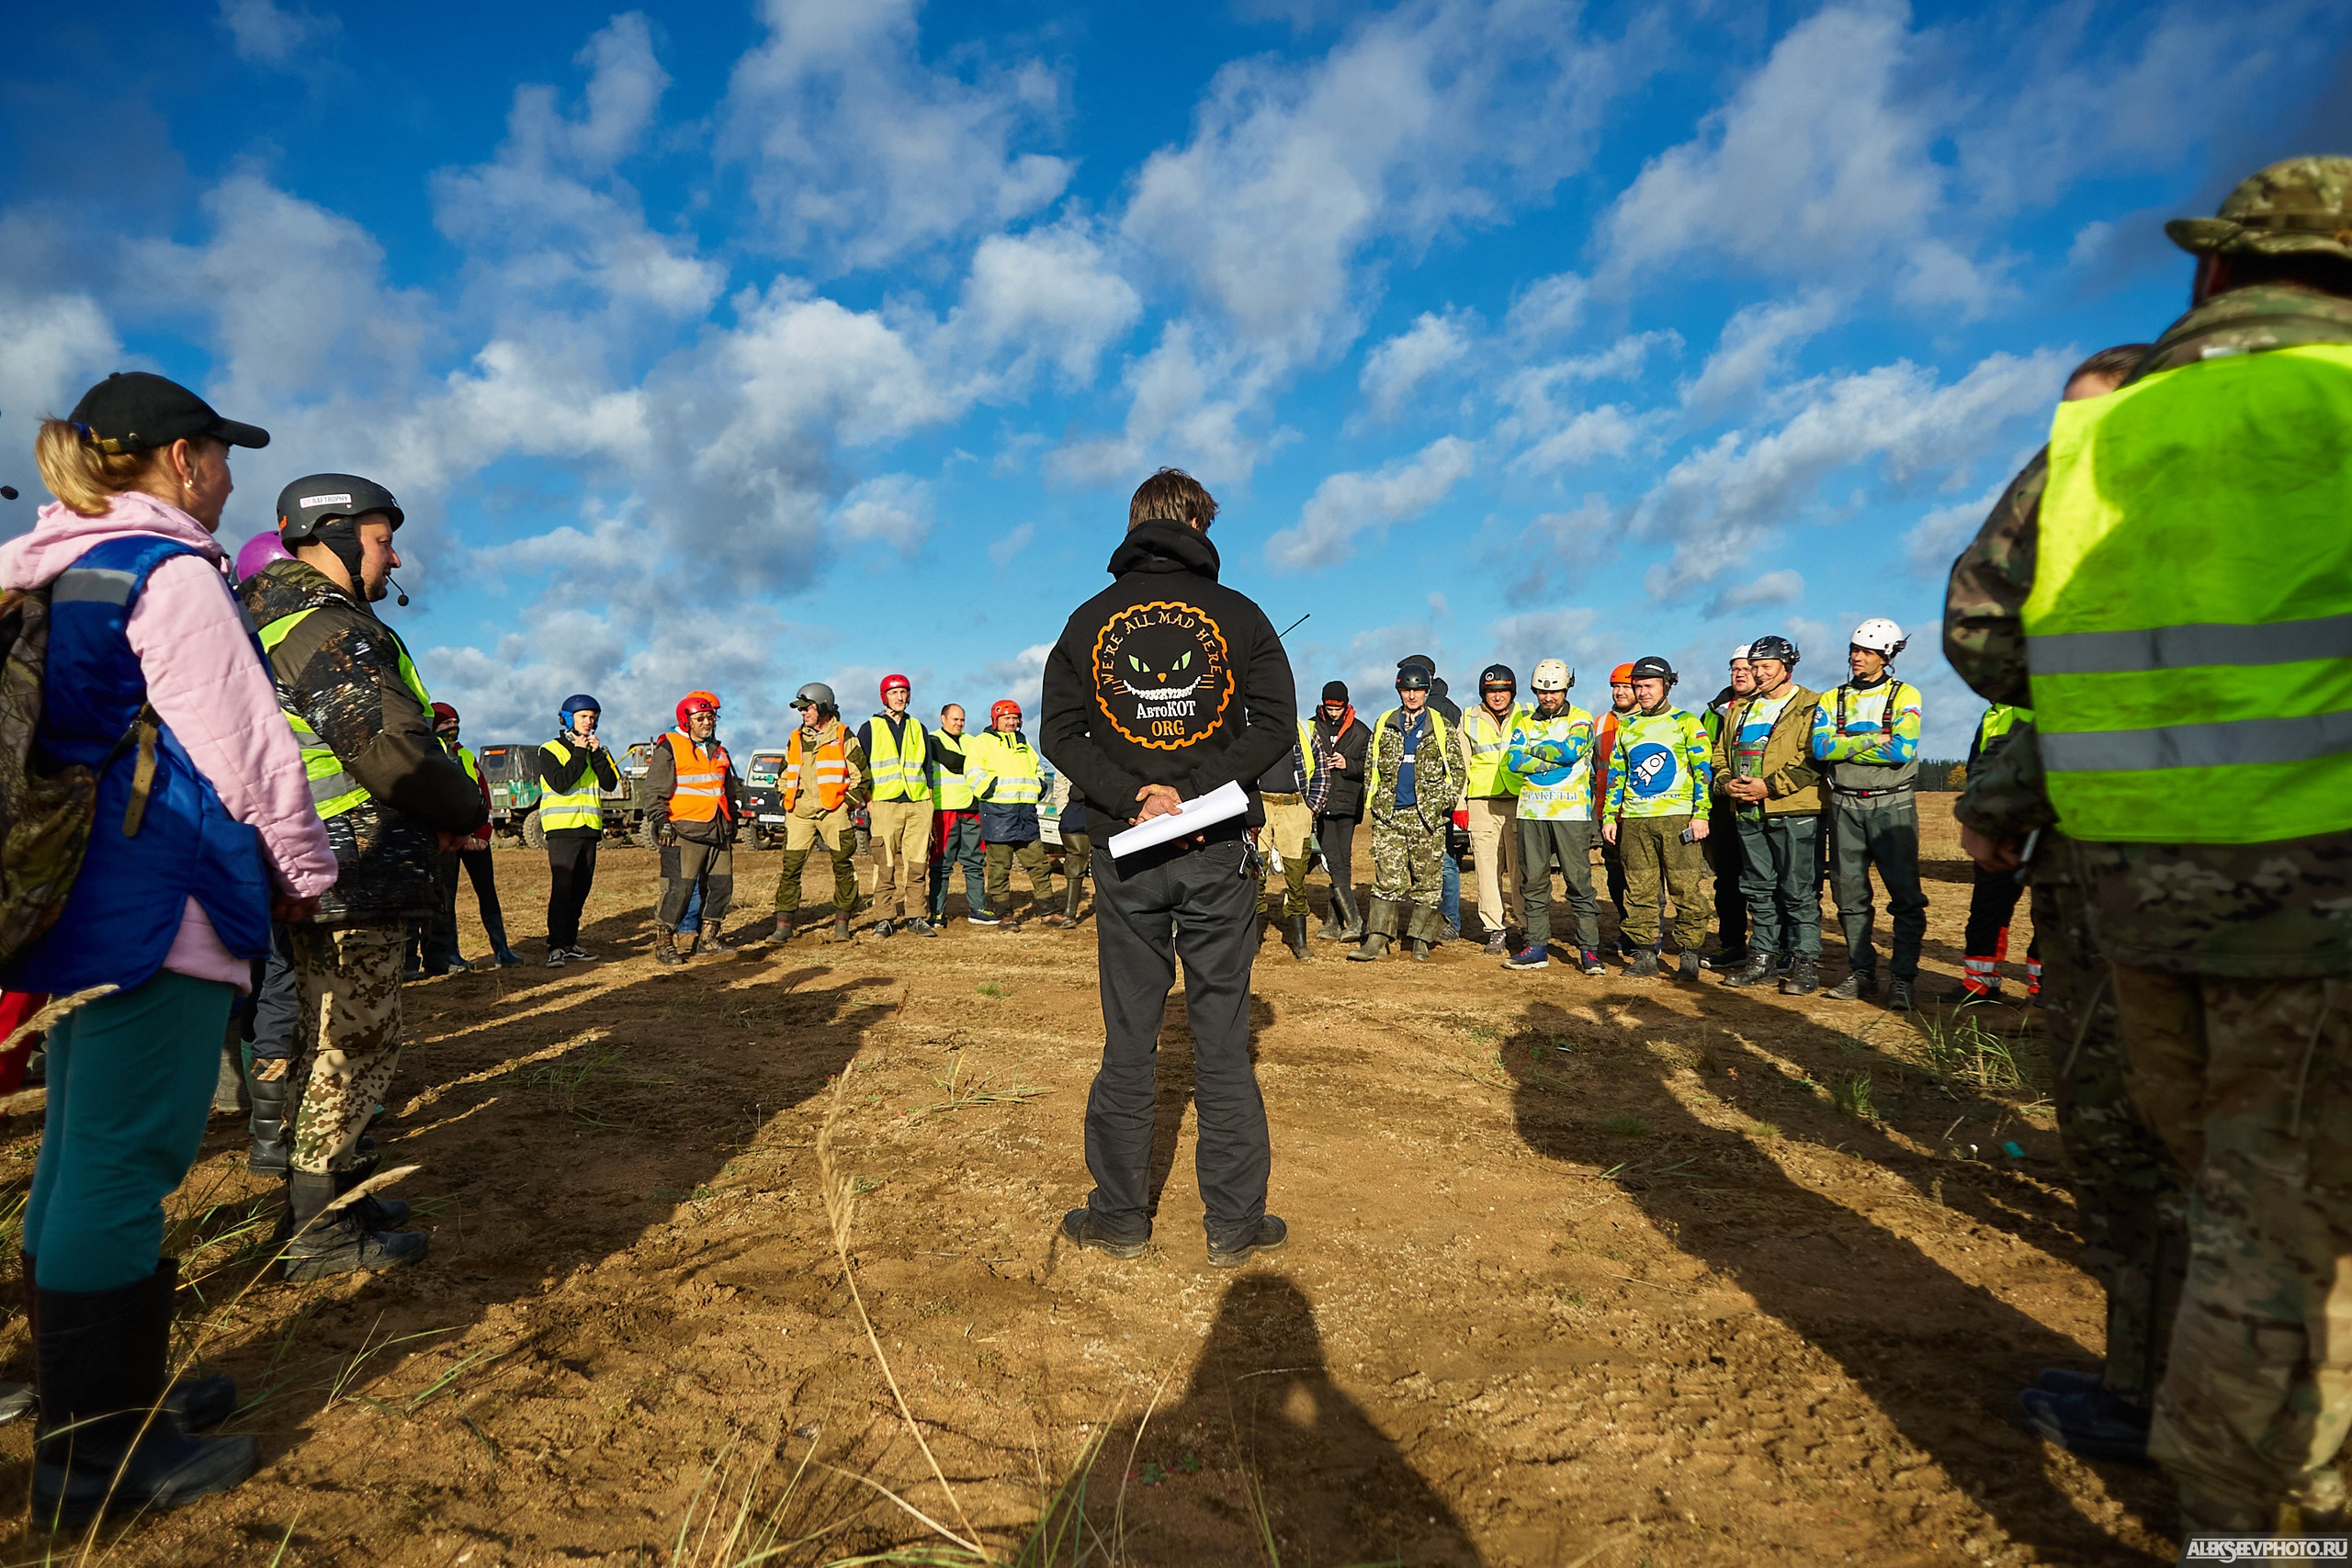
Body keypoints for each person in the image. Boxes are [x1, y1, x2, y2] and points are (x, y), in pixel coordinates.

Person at [2, 373, 334, 1521]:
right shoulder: (169, 573)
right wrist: (301, 877)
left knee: (75, 1161)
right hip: (165, 903)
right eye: (220, 455)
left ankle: (96, 1403)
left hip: (80, 905)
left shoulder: (52, 563)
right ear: (178, 460)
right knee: (122, 1166)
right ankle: (92, 1463)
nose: (230, 477)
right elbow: (249, 753)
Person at [1947, 323, 2268, 1495]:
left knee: (2211, 1172)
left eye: (2091, 421)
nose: (2080, 443)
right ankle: (2145, 1390)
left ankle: (2238, 1481)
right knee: (2147, 1152)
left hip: (2170, 891)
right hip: (2152, 889)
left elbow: (1993, 638)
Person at [1039, 467, 1296, 1268]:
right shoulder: (1242, 614)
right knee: (1222, 1038)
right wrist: (1191, 792)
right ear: (1197, 523)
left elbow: (1062, 731)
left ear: (1137, 522)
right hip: (1212, 847)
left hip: (1127, 850)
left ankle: (1119, 1218)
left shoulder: (1087, 620)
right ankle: (1233, 1224)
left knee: (1130, 1036)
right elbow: (1275, 727)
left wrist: (1136, 796)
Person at [243, 473, 483, 1280]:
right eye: (382, 539)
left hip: (328, 863)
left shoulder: (285, 617)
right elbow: (390, 745)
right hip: (352, 864)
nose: (394, 554)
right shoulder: (325, 628)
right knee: (355, 1044)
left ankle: (338, 1193)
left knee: (329, 1039)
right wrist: (459, 805)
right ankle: (318, 1230)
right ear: (336, 536)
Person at [1811, 618, 1928, 1010]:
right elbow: (1821, 749)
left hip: (1892, 803)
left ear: (1887, 655)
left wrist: (1845, 742)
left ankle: (1903, 978)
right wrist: (1873, 738)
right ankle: (1861, 972)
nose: (1856, 657)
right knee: (1848, 894)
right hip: (1844, 803)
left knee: (1905, 896)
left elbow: (1901, 750)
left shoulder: (1905, 694)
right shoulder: (1832, 698)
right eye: (1854, 650)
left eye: (1866, 652)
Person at [1712, 635, 1826, 995]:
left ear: (1786, 666)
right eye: (1753, 667)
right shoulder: (1739, 710)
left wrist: (1770, 786)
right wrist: (1727, 783)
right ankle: (1761, 957)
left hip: (1794, 809)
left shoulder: (1812, 705)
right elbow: (1719, 756)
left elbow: (1814, 758)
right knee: (1757, 887)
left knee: (1798, 889)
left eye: (1765, 667)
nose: (1758, 674)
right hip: (1746, 810)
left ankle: (1804, 962)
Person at [1600, 656, 1711, 979]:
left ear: (1666, 686)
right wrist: (1610, 816)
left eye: (1648, 686)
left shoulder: (1686, 722)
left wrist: (1701, 815)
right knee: (1639, 890)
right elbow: (1617, 776)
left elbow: (1703, 772)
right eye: (1638, 687)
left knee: (1685, 889)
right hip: (1635, 821)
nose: (1642, 692)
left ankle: (1689, 954)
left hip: (1677, 819)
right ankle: (1645, 954)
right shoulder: (1629, 727)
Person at [1349, 664, 1458, 962]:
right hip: (1390, 817)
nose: (1412, 695)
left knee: (1428, 882)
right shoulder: (1385, 722)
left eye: (1418, 689)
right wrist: (1379, 804)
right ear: (1400, 691)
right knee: (1386, 879)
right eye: (1407, 689)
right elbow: (1372, 765)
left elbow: (1458, 770)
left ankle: (1421, 940)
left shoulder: (1441, 726)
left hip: (1426, 817)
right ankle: (1377, 940)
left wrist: (1440, 805)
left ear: (1426, 691)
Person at [1503, 660, 1603, 974]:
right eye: (1543, 692)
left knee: (1578, 882)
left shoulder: (1581, 718)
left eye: (1556, 691)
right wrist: (1552, 757)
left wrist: (1537, 754)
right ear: (1535, 690)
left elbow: (1573, 750)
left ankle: (1589, 949)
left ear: (1566, 689)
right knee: (1533, 881)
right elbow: (1513, 761)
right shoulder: (1523, 722)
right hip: (1532, 811)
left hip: (1571, 813)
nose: (1549, 698)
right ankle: (1536, 945)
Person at [645, 690, 741, 964]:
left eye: (710, 717)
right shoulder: (670, 747)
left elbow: (728, 790)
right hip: (683, 831)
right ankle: (665, 943)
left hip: (718, 829)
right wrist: (661, 821)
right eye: (700, 718)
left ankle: (708, 939)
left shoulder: (719, 749)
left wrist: (732, 819)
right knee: (678, 888)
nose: (707, 723)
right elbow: (653, 792)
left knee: (722, 886)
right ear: (685, 721)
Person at [1952, 701, 2037, 1001]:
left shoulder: (2033, 703)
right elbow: (1978, 766)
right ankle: (1979, 982)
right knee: (1988, 905)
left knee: (2048, 906)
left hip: (2037, 819)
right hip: (1996, 820)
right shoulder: (1993, 713)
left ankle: (2044, 989)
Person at [772, 682, 867, 942]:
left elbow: (862, 777)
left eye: (807, 708)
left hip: (833, 813)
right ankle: (783, 926)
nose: (803, 713)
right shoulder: (794, 738)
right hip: (799, 814)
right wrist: (785, 799)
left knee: (843, 867)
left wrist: (845, 803)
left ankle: (841, 924)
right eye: (801, 710)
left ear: (823, 706)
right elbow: (783, 775)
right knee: (790, 870)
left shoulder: (844, 736)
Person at [435, 704, 521, 968]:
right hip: (446, 842)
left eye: (456, 722)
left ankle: (502, 950)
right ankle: (450, 955)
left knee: (488, 894)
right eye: (447, 723)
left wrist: (482, 835)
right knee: (445, 900)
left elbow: (483, 797)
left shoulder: (468, 757)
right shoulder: (428, 756)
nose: (453, 728)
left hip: (477, 841)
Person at [967, 699, 1064, 929]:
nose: (1012, 722)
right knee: (1000, 869)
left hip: (1026, 814)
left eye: (1015, 718)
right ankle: (1003, 914)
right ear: (995, 720)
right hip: (998, 814)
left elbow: (1038, 769)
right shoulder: (982, 743)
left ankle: (1048, 912)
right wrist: (991, 788)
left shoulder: (1024, 743)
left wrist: (1040, 786)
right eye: (1007, 718)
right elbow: (972, 772)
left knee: (1039, 865)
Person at [856, 674, 938, 938]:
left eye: (904, 692)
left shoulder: (919, 727)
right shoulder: (869, 727)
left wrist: (928, 799)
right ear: (885, 697)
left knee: (917, 864)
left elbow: (928, 766)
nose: (900, 697)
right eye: (894, 693)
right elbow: (861, 767)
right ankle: (884, 918)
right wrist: (869, 800)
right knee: (885, 864)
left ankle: (916, 916)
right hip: (884, 804)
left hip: (917, 804)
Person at [538, 694, 617, 964]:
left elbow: (609, 783)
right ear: (569, 718)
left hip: (589, 829)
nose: (589, 721)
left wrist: (596, 755)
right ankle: (556, 946)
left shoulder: (598, 750)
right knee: (563, 889)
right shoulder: (549, 749)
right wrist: (580, 751)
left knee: (581, 889)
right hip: (562, 829)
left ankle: (570, 942)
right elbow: (561, 783)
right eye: (584, 716)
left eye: (593, 717)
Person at [1458, 664, 1528, 955]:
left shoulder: (1528, 714)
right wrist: (1460, 804)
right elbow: (1461, 764)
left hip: (1519, 800)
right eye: (1491, 691)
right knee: (1486, 871)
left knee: (1521, 870)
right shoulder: (1467, 719)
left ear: (1511, 691)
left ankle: (1526, 928)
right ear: (1482, 693)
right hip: (1481, 802)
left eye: (1502, 690)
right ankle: (1495, 929)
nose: (1497, 696)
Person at [1251, 701, 1328, 960]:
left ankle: (1299, 943)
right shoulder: (1251, 729)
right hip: (1260, 806)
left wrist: (1311, 808)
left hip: (1295, 806)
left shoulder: (1306, 731)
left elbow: (1322, 772)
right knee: (1255, 876)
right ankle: (1254, 941)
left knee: (1296, 877)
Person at [1702, 647, 1756, 968]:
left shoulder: (1773, 707)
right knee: (1727, 880)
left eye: (1747, 668)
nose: (1740, 673)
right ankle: (1732, 943)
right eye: (1734, 668)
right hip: (1722, 804)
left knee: (1766, 880)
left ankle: (1774, 947)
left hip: (1764, 803)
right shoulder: (1713, 712)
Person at [1308, 682, 1370, 942]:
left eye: (1338, 708)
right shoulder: (1311, 727)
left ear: (1346, 705)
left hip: (1347, 802)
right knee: (1335, 858)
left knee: (1340, 858)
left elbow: (1370, 765)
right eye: (1330, 707)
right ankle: (1345, 921)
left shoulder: (1361, 731)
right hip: (1321, 803)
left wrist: (1348, 764)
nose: (1334, 713)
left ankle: (1345, 922)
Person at [926, 703, 988, 925]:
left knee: (974, 861)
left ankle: (979, 908)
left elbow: (986, 765)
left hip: (971, 808)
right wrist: (973, 763)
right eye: (954, 719)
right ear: (943, 719)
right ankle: (937, 912)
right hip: (946, 810)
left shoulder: (972, 741)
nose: (959, 723)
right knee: (941, 864)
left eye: (962, 719)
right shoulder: (932, 739)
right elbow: (950, 761)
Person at [1591, 662, 1638, 942]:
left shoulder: (1648, 721)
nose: (1620, 692)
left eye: (1626, 686)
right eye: (1616, 687)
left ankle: (1646, 934)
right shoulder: (1600, 723)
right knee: (1616, 876)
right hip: (1607, 813)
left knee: (1642, 877)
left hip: (1638, 812)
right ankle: (1626, 928)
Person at [1048, 770, 1091, 925]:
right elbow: (1060, 780)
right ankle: (1070, 912)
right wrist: (1063, 809)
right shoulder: (1071, 748)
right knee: (1075, 858)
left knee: (1105, 862)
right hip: (1075, 810)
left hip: (1102, 811)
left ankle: (1108, 911)